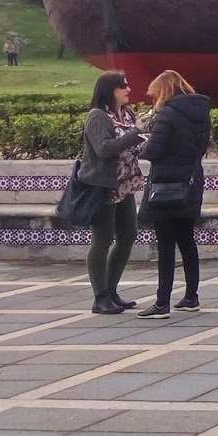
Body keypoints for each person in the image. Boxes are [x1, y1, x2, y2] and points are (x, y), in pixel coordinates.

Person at [136, 70, 210, 319]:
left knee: (166, 245)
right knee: (187, 240)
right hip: (191, 182)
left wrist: (142, 144)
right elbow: (201, 147)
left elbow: (154, 150)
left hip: (166, 185)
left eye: (155, 94)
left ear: (163, 91)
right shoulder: (201, 112)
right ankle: (191, 296)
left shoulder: (168, 114)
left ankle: (162, 302)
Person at [81, 71, 144, 315]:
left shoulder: (127, 114)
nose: (128, 89)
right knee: (103, 239)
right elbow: (104, 149)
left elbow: (135, 144)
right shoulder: (98, 116)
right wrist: (135, 134)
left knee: (128, 234)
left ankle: (111, 290)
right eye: (123, 86)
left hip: (125, 184)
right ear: (110, 90)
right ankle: (100, 297)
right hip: (102, 185)